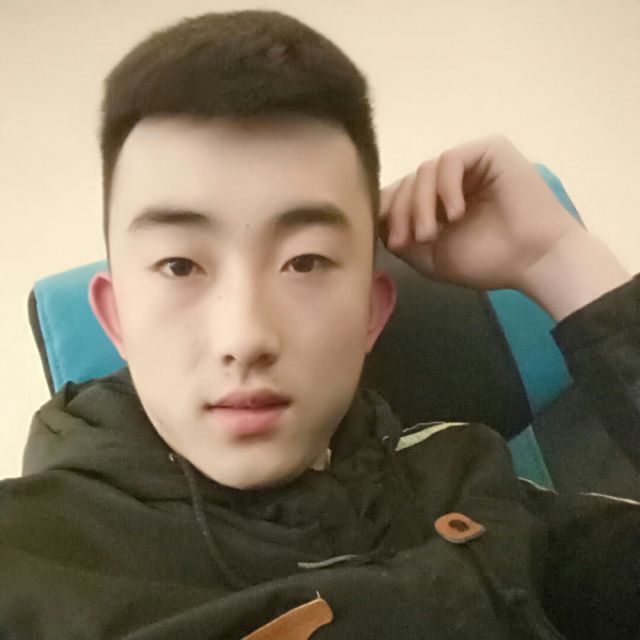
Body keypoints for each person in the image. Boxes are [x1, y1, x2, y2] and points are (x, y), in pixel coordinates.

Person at [3, 9, 639, 639]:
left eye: (304, 262)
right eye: (179, 265)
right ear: (116, 317)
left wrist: (560, 260)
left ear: (370, 313)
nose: (245, 339)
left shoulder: (472, 483)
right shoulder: (29, 563)